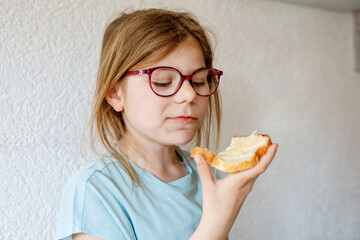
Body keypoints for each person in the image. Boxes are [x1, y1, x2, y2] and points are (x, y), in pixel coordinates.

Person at [56, 8, 278, 240]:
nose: (188, 95)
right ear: (115, 95)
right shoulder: (95, 190)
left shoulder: (210, 176)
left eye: (199, 80)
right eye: (162, 82)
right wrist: (217, 222)